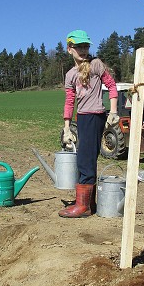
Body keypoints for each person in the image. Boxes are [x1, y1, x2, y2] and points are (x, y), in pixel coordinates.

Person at [60, 30, 118, 218]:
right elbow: (70, 101)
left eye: (86, 46)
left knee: (85, 160)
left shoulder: (96, 64)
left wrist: (114, 111)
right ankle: (87, 203)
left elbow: (111, 85)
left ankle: (83, 207)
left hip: (96, 116)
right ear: (70, 49)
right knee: (84, 160)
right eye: (79, 47)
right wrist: (67, 127)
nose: (83, 50)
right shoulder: (70, 75)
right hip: (82, 117)